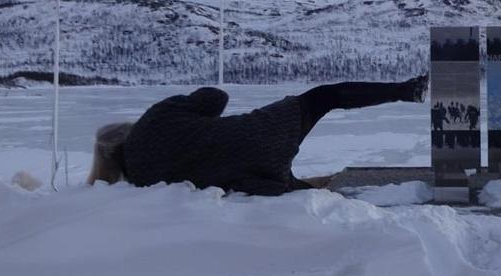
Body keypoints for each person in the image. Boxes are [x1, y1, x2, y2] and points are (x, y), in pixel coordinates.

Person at [86, 75, 428, 195]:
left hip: (255, 177)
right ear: (127, 130)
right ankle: (408, 90)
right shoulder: (154, 118)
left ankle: (344, 193)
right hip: (262, 131)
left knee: (301, 190)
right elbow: (215, 98)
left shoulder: (141, 180)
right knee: (325, 97)